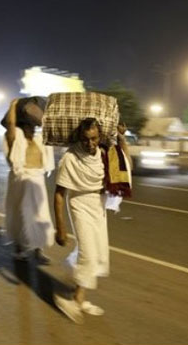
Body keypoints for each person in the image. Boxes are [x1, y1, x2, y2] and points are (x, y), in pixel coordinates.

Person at [53, 118, 131, 324]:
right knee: (88, 252)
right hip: (79, 202)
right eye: (86, 139)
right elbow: (59, 193)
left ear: (100, 136)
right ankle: (76, 301)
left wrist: (121, 137)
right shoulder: (70, 157)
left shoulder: (105, 153)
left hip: (98, 204)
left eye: (94, 139)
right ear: (80, 137)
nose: (90, 144)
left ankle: (81, 296)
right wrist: (60, 228)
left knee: (97, 252)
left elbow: (126, 164)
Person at [3, 99, 55, 263]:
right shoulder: (16, 138)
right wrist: (13, 105)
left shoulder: (40, 140)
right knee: (21, 216)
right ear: (21, 127)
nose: (31, 129)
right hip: (21, 181)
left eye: (33, 126)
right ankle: (19, 248)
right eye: (27, 126)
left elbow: (49, 127)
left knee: (41, 216)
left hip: (38, 181)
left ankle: (38, 250)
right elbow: (11, 125)